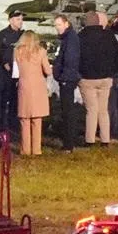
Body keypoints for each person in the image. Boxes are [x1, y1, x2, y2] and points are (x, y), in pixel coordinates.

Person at [79, 10, 118, 145]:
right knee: (103, 110)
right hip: (105, 78)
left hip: (87, 78)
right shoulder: (109, 36)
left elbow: (77, 57)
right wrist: (113, 72)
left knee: (91, 110)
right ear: (98, 21)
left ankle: (90, 139)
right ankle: (105, 139)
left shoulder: (80, 36)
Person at [14, 30, 52, 155]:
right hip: (38, 86)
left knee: (24, 119)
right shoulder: (41, 51)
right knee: (37, 118)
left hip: (24, 86)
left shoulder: (17, 51)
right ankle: (36, 149)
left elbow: (15, 72)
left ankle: (25, 149)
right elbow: (47, 70)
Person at [0, 9, 25, 132]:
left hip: (20, 73)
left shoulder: (24, 35)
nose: (20, 22)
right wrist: (4, 63)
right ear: (10, 20)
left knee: (17, 101)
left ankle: (14, 126)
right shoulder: (2, 35)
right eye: (18, 19)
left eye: (21, 19)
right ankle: (1, 126)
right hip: (5, 74)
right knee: (3, 100)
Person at [51, 14, 81, 151]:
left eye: (59, 24)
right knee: (67, 110)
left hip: (67, 79)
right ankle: (69, 141)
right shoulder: (69, 38)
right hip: (67, 78)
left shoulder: (70, 39)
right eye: (55, 25)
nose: (57, 28)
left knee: (68, 110)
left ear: (66, 24)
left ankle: (69, 143)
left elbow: (70, 60)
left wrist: (62, 76)